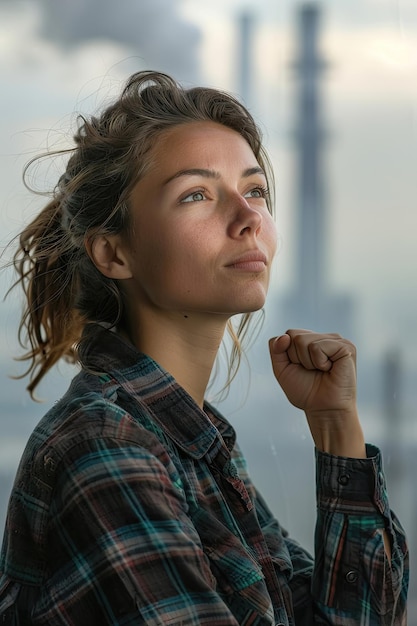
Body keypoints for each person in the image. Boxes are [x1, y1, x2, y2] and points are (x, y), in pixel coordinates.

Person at [0, 70, 408, 625]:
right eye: (197, 194)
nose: (248, 220)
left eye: (255, 190)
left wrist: (337, 425)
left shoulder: (195, 443)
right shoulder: (106, 447)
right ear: (113, 253)